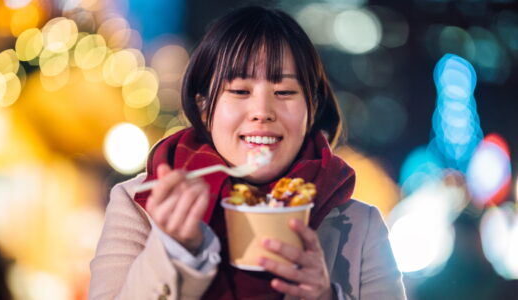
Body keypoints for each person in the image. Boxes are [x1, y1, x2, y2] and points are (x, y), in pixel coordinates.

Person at [89, 6, 406, 300]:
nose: (262, 111)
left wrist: (326, 296)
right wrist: (173, 250)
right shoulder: (139, 204)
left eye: (284, 92)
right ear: (203, 106)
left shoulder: (361, 226)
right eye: (240, 91)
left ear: (312, 108)